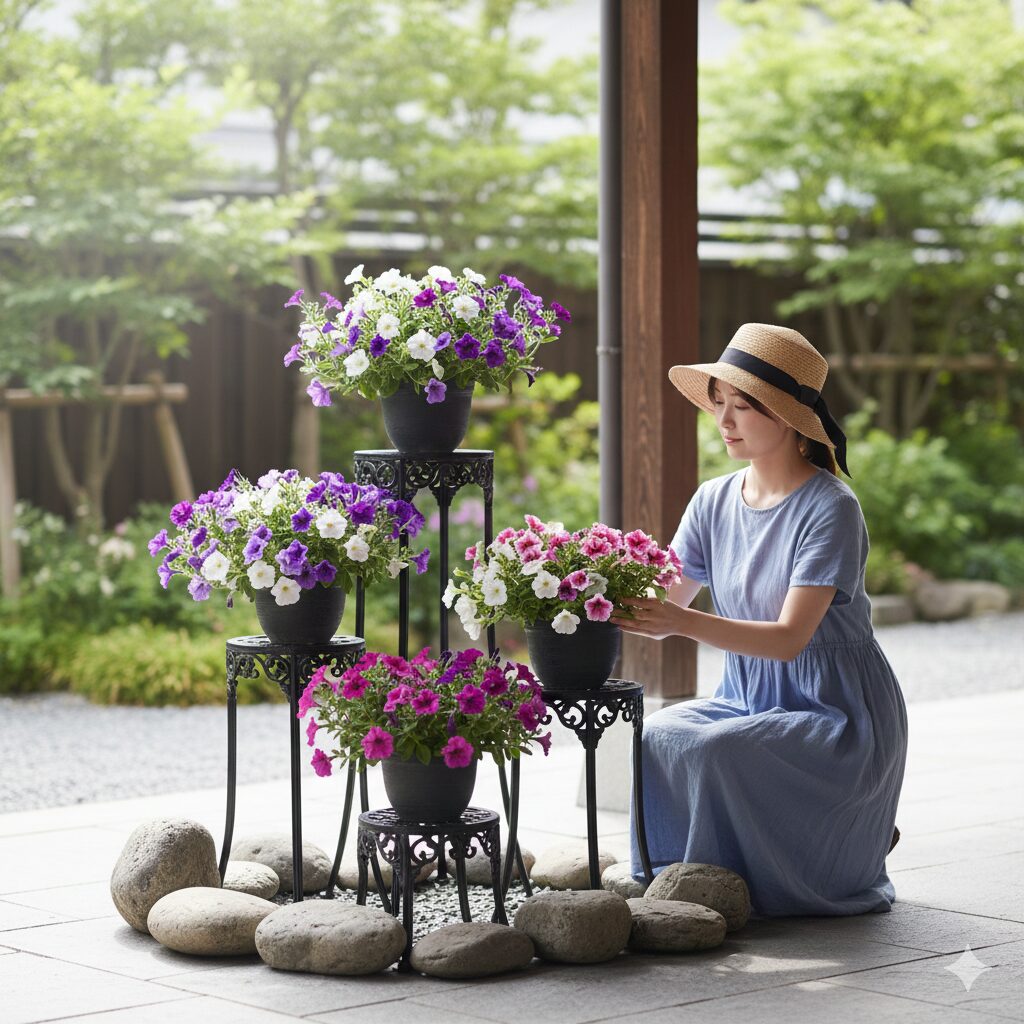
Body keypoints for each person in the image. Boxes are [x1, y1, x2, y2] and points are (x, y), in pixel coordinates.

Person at [610, 323, 908, 917]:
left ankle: (784, 870)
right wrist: (575, 588)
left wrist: (683, 623)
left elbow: (790, 639)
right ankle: (681, 882)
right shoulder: (713, 499)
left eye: (742, 407)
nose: (723, 422)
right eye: (719, 405)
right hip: (746, 696)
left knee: (719, 751)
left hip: (833, 709)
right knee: (659, 736)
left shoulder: (831, 508)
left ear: (791, 417)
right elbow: (666, 592)